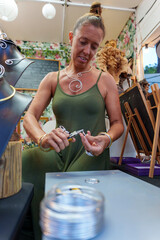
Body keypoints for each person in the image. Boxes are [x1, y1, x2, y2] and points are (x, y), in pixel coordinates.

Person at [22, 6, 124, 240]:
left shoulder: (105, 80)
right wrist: (42, 138)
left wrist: (106, 139)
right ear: (71, 38)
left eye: (94, 46)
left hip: (90, 154)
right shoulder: (52, 79)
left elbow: (118, 123)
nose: (87, 51)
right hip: (58, 151)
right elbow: (29, 116)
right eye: (83, 42)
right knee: (24, 159)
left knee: (67, 194)